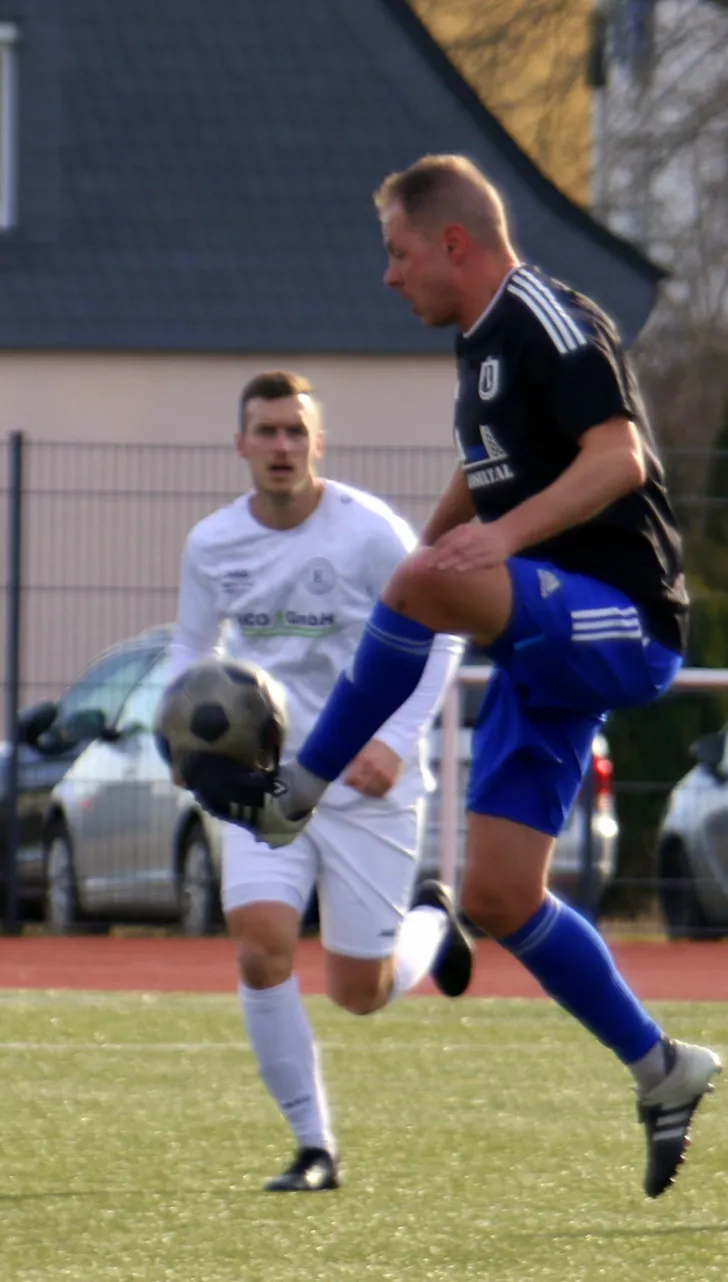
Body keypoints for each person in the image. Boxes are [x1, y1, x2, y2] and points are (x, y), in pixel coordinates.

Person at [185, 156, 723, 1199]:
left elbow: (619, 460)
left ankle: (299, 788)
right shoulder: (479, 345)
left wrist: (484, 548)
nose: (389, 276)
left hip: (623, 621)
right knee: (498, 896)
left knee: (425, 586)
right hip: (545, 647)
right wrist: (429, 558)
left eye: (397, 253)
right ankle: (661, 1067)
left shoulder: (547, 315)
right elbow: (484, 478)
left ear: (453, 243)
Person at [167, 369, 468, 1193]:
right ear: (240, 444)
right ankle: (314, 1148)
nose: (281, 445)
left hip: (368, 782)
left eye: (295, 431)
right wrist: (180, 737)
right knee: (260, 945)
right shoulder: (212, 544)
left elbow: (443, 630)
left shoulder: (369, 533)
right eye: (266, 431)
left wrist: (397, 740)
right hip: (268, 783)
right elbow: (190, 650)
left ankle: (432, 927)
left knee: (359, 993)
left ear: (318, 444)